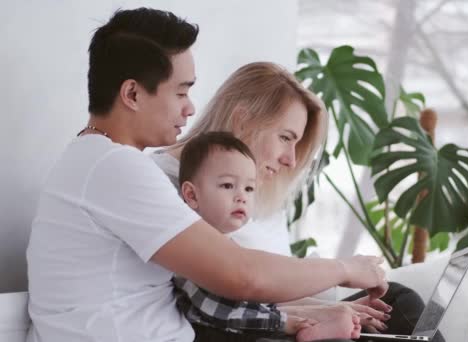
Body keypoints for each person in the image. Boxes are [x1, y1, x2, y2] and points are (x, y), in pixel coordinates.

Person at [25, 8, 387, 342]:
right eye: (181, 91)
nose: (190, 107)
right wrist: (344, 268)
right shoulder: (115, 167)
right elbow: (242, 275)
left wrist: (307, 312)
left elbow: (211, 293)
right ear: (132, 93)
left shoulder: (98, 160)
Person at [153, 61, 443, 342]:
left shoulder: (254, 193)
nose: (291, 159)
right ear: (242, 119)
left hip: (258, 316)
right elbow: (234, 292)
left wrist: (325, 310)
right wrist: (338, 280)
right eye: (285, 138)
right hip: (224, 329)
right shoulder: (164, 185)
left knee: (398, 303)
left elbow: (266, 292)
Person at [174, 131, 362, 341]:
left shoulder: (228, 246)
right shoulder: (193, 245)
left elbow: (255, 302)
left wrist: (308, 314)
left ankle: (316, 328)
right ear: (191, 195)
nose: (241, 197)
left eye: (249, 188)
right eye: (227, 185)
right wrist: (283, 322)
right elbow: (216, 312)